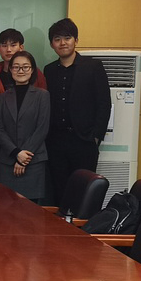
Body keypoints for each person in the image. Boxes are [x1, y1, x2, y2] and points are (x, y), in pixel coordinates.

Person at [44, 18, 111, 204]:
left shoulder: (93, 67)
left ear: (76, 40)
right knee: (59, 191)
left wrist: (95, 136)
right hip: (56, 142)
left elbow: (104, 104)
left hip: (84, 140)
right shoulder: (49, 70)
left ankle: (82, 223)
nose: (63, 43)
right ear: (51, 44)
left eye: (67, 38)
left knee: (84, 191)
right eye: (57, 39)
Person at [0, 51, 50, 201]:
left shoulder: (42, 96)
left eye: (25, 67)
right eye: (16, 67)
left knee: (31, 210)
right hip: (8, 162)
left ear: (32, 70)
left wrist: (24, 157)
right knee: (6, 207)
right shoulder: (2, 97)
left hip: (33, 162)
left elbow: (42, 128)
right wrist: (16, 153)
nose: (21, 71)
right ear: (11, 70)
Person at [0, 28, 47, 94]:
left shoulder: (34, 72)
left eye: (13, 45)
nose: (8, 50)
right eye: (4, 46)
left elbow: (42, 95)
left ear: (21, 48)